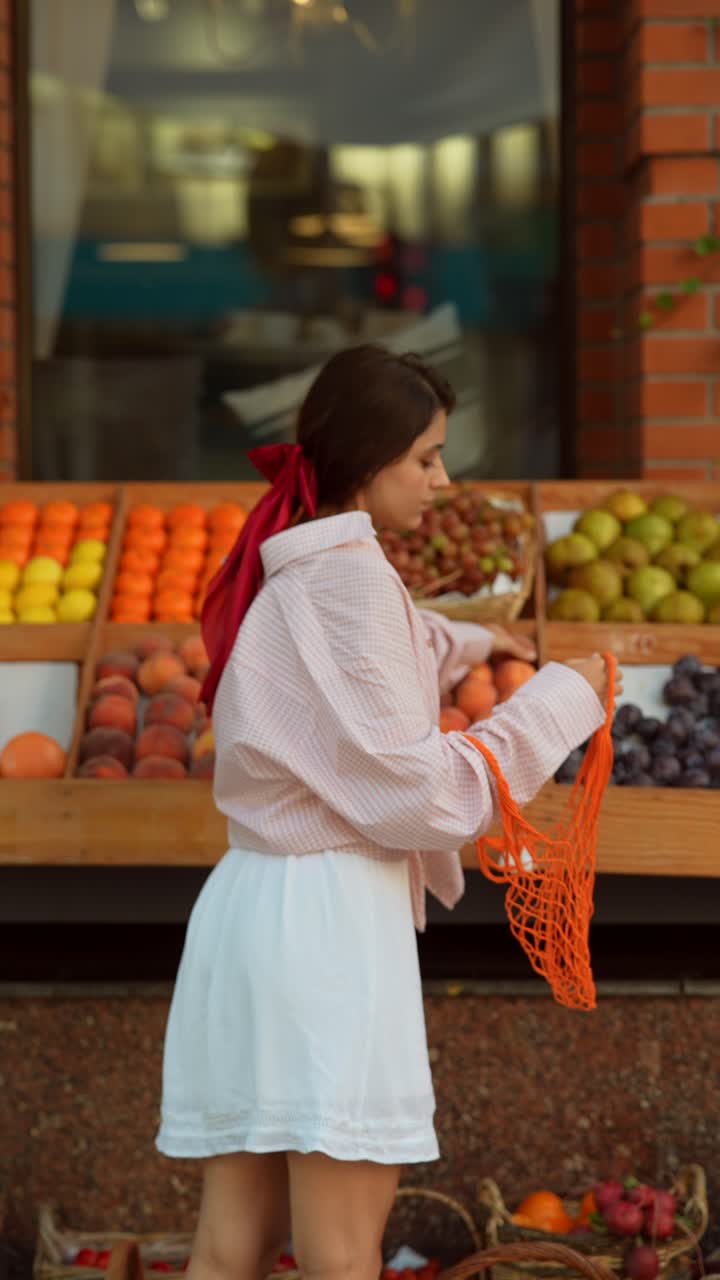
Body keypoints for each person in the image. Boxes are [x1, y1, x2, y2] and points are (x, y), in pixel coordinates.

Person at [156, 346, 621, 1280]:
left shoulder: (308, 575)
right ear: (369, 463)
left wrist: (462, 642)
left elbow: (363, 663)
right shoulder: (351, 582)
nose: (442, 480)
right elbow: (428, 796)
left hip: (257, 912)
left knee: (227, 1246)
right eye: (426, 457)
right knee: (342, 1255)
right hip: (326, 930)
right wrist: (565, 696)